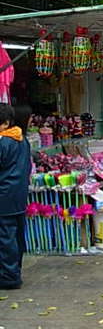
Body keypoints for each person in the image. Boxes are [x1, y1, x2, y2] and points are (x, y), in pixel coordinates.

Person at [0, 103, 31, 290]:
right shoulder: (22, 139)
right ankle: (14, 271)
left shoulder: (4, 143)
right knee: (15, 236)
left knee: (5, 238)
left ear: (5, 123)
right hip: (18, 195)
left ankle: (9, 277)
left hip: (4, 196)